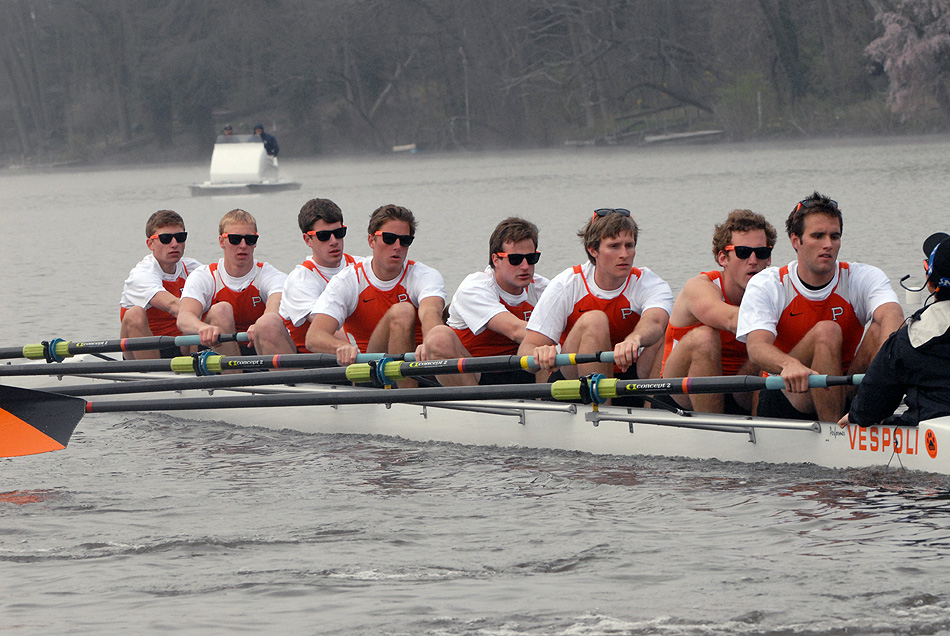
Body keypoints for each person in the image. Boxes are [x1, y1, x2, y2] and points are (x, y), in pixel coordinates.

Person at [737, 192, 904, 421]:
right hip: (788, 393)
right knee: (827, 331)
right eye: (818, 236)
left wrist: (890, 367)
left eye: (834, 236)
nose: (828, 245)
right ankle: (835, 436)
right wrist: (789, 364)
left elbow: (892, 314)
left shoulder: (862, 276)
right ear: (796, 241)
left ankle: (869, 415)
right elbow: (756, 348)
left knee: (881, 332)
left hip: (843, 388)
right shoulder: (769, 284)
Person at [518, 208, 673, 399]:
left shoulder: (649, 282)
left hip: (631, 375)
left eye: (629, 245)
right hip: (575, 381)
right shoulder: (566, 284)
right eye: (614, 246)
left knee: (667, 327)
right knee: (594, 320)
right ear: (593, 250)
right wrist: (540, 353)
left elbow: (656, 320)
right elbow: (526, 349)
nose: (624, 254)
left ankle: (653, 411)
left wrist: (634, 339)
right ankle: (601, 411)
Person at [657, 209, 776, 414]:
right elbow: (730, 319)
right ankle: (712, 432)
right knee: (705, 336)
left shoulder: (777, 288)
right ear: (723, 257)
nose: (754, 260)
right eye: (743, 252)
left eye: (762, 252)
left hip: (742, 389)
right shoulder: (700, 287)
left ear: (769, 259)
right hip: (682, 393)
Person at [307, 204, 446, 369]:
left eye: (405, 241)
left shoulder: (424, 275)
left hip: (421, 365)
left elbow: (431, 312)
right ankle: (406, 392)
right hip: (369, 369)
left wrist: (431, 340)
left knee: (445, 327)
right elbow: (314, 336)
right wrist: (340, 347)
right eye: (388, 238)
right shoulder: (349, 280)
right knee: (402, 311)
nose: (397, 246)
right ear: (371, 240)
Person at [839, 233, 950, 427]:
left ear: (930, 283)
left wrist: (854, 416)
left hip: (934, 433)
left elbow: (871, 406)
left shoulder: (907, 340)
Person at [424, 217, 549, 386]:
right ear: (496, 259)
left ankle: (546, 404)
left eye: (531, 258)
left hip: (526, 373)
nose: (525, 266)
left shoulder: (544, 289)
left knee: (547, 346)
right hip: (477, 374)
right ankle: (475, 408)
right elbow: (514, 329)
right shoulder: (474, 288)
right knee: (438, 337)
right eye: (516, 259)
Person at [178, 209, 287, 357]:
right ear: (221, 241)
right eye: (235, 239)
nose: (243, 245)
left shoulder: (268, 274)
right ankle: (233, 377)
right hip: (213, 347)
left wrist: (262, 324)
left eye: (250, 239)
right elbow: (184, 317)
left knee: (269, 321)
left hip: (255, 345)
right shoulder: (205, 276)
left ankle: (286, 379)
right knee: (221, 311)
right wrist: (202, 327)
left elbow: (276, 301)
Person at [256, 198, 358, 354]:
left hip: (356, 356)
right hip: (314, 363)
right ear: (307, 240)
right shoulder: (300, 281)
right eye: (324, 236)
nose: (334, 241)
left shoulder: (360, 266)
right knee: (267, 323)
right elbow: (326, 329)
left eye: (339, 233)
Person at [119, 210, 202, 359]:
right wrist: (206, 327)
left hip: (182, 345)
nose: (174, 244)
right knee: (135, 314)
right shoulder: (142, 274)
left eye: (180, 237)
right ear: (150, 244)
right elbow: (172, 305)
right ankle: (152, 373)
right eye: (166, 239)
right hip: (145, 348)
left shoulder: (194, 269)